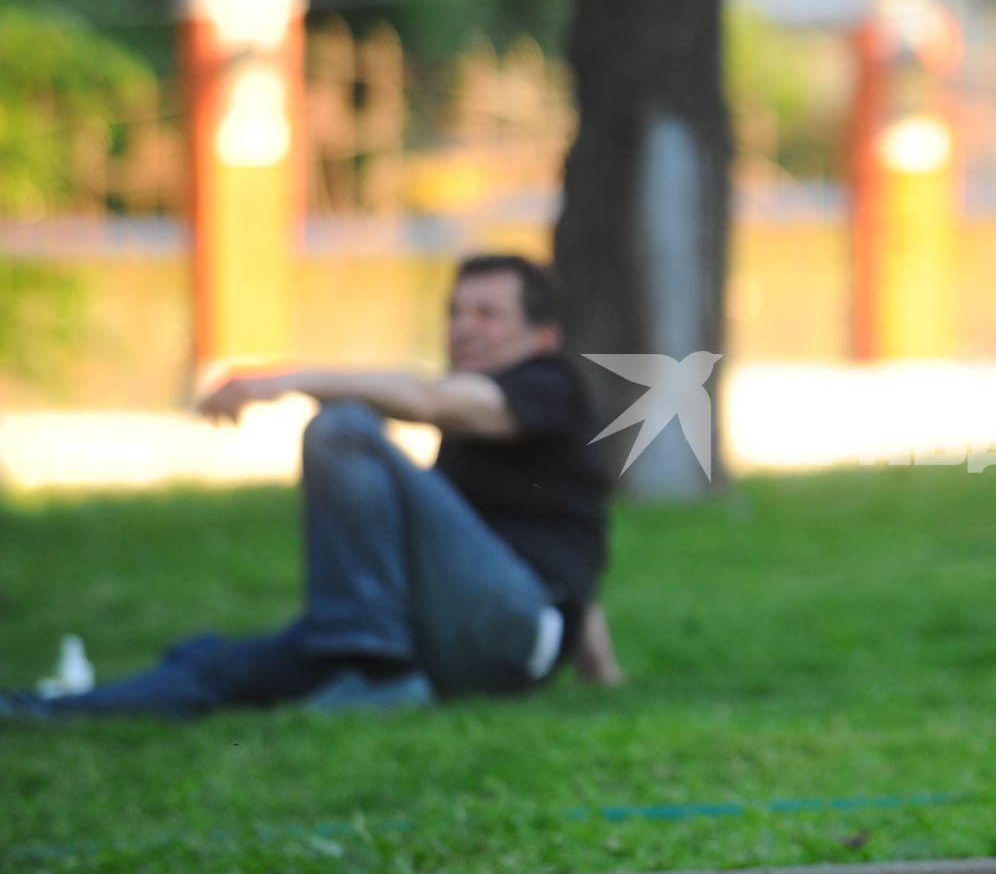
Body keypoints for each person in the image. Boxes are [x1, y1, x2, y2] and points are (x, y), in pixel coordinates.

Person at [3, 253, 621, 720]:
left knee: (345, 429)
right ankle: (45, 711)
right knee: (217, 666)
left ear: (544, 337)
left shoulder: (550, 386)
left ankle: (371, 667)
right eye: (456, 312)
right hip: (450, 630)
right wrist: (602, 673)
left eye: (487, 314)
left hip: (505, 632)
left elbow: (431, 399)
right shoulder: (482, 434)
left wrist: (281, 381)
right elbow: (570, 548)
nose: (464, 328)